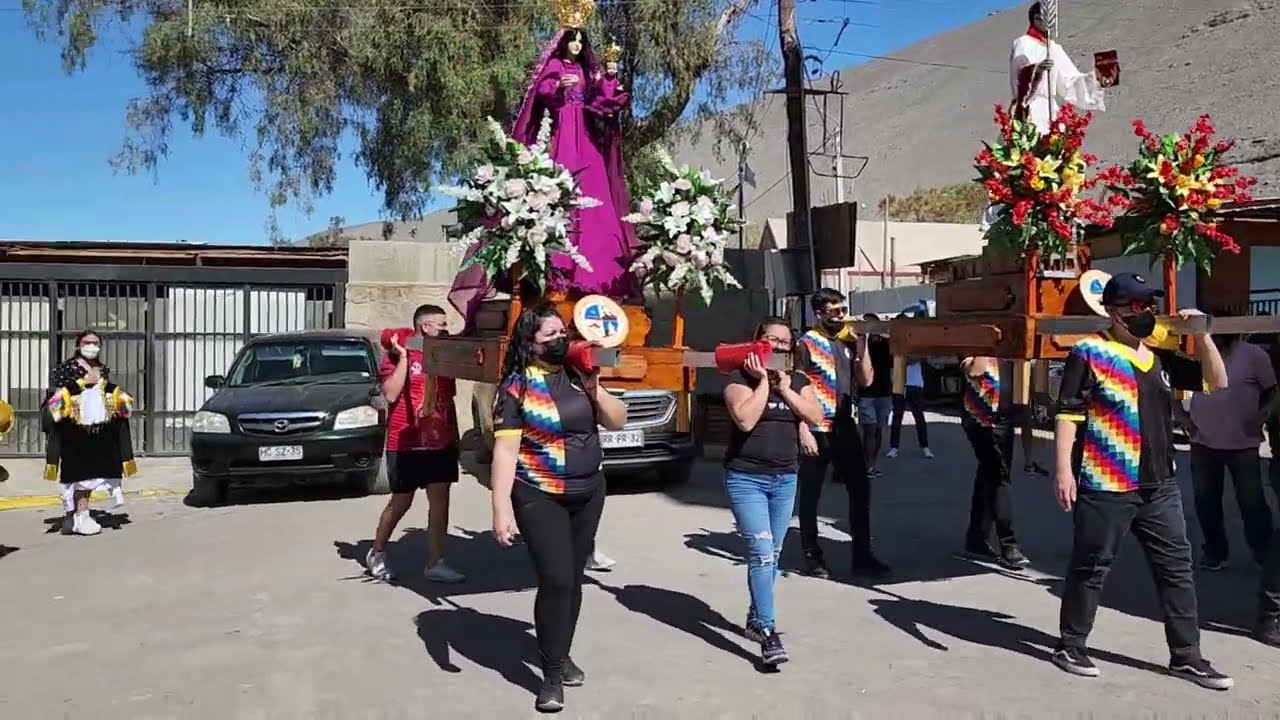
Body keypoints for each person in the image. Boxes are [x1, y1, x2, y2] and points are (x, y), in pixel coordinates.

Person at [1051, 272, 1232, 690]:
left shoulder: (1160, 358)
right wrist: (1063, 471)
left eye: (1149, 305)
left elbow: (1216, 381)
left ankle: (1186, 657)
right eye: (1135, 306)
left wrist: (1202, 334)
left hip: (1159, 485)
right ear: (1113, 312)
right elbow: (1068, 415)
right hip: (1106, 481)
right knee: (1091, 565)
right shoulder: (1089, 353)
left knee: (1177, 570)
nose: (1145, 313)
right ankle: (1071, 644)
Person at [448, 11, 636, 326]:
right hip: (561, 139)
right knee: (558, 198)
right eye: (571, 38)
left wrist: (611, 77)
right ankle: (557, 278)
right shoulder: (554, 66)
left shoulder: (589, 72)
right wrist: (559, 88)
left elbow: (604, 104)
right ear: (562, 41)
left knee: (594, 207)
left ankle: (595, 282)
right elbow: (542, 95)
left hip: (587, 144)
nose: (576, 44)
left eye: (580, 38)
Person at [490, 305, 627, 712]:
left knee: (575, 578)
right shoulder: (516, 386)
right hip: (539, 492)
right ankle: (550, 676)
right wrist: (501, 509)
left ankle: (561, 652)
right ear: (529, 343)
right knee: (556, 580)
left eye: (561, 332)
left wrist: (594, 385)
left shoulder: (576, 374)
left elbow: (617, 421)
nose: (559, 339)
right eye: (548, 335)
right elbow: (505, 449)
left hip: (589, 490)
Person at [722, 317, 823, 665]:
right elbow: (746, 419)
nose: (778, 347)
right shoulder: (739, 379)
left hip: (785, 478)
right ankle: (767, 631)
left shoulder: (797, 380)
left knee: (773, 554)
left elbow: (816, 414)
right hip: (746, 478)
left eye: (783, 342)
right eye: (770, 340)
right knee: (762, 553)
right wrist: (765, 381)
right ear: (756, 341)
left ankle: (754, 617)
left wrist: (786, 390)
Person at [365, 305, 466, 584]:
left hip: (439, 441)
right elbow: (391, 393)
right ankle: (377, 551)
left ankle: (435, 562)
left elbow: (450, 397)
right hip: (406, 440)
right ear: (425, 327)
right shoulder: (395, 354)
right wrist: (405, 359)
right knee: (401, 502)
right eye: (441, 324)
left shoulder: (444, 355)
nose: (445, 329)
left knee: (440, 501)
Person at [796, 289, 890, 580]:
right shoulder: (807, 343)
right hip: (816, 425)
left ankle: (862, 556)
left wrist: (862, 345)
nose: (840, 316)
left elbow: (867, 379)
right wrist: (802, 428)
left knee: (861, 489)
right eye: (834, 311)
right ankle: (812, 555)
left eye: (842, 310)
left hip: (845, 425)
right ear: (820, 313)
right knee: (811, 493)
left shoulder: (849, 341)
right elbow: (796, 384)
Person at [1187, 315, 1277, 571]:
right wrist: (1183, 417)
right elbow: (1175, 386)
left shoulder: (1254, 356)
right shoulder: (1200, 352)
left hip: (1243, 444)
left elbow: (1273, 390)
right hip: (1202, 441)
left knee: (1252, 504)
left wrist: (1262, 415)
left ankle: (1264, 555)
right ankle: (1215, 553)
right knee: (1206, 502)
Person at [44, 331, 137, 536]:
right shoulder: (67, 368)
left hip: (99, 428)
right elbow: (56, 397)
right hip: (74, 429)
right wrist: (80, 384)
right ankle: (79, 514)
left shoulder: (102, 368)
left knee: (93, 474)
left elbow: (106, 394)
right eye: (87, 342)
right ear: (78, 345)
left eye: (96, 343)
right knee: (78, 474)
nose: (92, 346)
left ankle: (78, 513)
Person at [960, 356, 1029, 570]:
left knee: (989, 475)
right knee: (999, 478)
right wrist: (989, 345)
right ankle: (1008, 545)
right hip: (982, 418)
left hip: (1003, 419)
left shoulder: (1010, 345)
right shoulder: (976, 339)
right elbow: (973, 370)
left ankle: (976, 536)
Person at [1010, 2, 1106, 135]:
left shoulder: (1054, 48)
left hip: (1050, 110)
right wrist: (1037, 70)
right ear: (1036, 18)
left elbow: (1070, 81)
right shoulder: (1023, 42)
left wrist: (1099, 76)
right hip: (1029, 107)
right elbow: (1019, 74)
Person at [858, 313, 894, 478]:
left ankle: (871, 465)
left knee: (878, 430)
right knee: (870, 430)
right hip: (866, 393)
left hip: (884, 392)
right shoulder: (859, 345)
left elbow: (900, 358)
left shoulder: (887, 344)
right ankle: (867, 465)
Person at [886, 355, 933, 459]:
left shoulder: (916, 343)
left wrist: (902, 359)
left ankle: (925, 446)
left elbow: (919, 357)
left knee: (919, 416)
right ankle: (894, 447)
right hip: (899, 381)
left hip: (915, 383)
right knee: (897, 416)